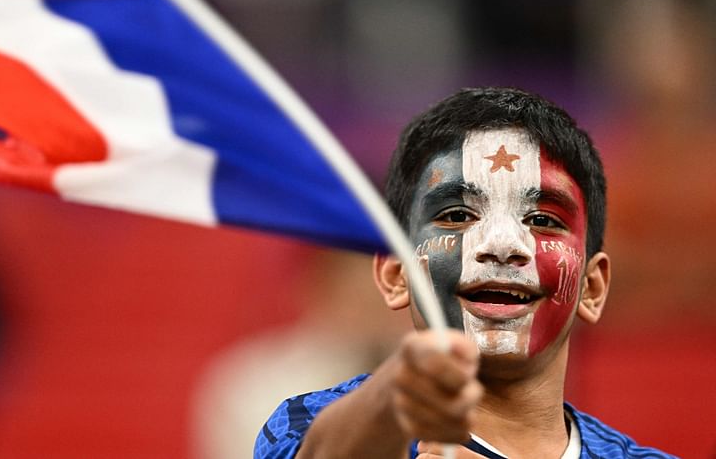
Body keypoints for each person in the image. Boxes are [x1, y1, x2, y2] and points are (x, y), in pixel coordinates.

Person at [254, 87, 675, 458]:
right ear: (395, 274)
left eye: (543, 219)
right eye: (457, 214)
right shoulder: (296, 425)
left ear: (593, 286)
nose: (502, 246)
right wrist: (396, 393)